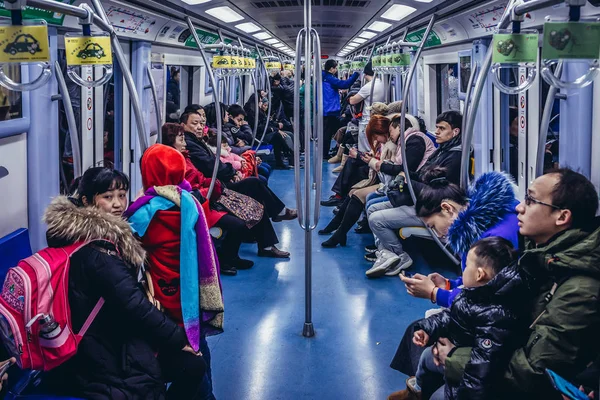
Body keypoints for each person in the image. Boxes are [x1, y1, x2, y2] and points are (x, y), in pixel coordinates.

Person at [43, 167, 205, 399]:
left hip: (97, 330)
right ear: (87, 200)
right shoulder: (98, 252)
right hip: (99, 351)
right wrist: (179, 340)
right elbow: (133, 304)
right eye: (108, 197)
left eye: (122, 195)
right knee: (192, 364)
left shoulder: (81, 235)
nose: (118, 204)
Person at [440, 169, 600, 399]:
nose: (519, 207)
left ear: (562, 217)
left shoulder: (579, 290)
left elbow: (533, 372)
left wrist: (455, 358)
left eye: (531, 200)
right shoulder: (537, 254)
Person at [391, 237, 526, 400]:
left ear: (479, 274)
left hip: (469, 372)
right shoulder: (470, 293)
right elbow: (450, 315)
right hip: (457, 353)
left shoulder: (497, 316)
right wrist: (427, 328)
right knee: (426, 357)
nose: (463, 271)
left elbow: (481, 369)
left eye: (467, 266)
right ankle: (417, 390)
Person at [366, 111, 465, 275]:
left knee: (376, 219)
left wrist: (409, 182)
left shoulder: (454, 158)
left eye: (442, 128)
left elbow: (438, 194)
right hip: (420, 200)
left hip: (432, 210)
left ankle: (400, 256)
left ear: (455, 132)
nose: (437, 132)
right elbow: (423, 174)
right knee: (372, 209)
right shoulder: (442, 150)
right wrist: (406, 175)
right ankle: (387, 253)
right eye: (437, 127)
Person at [181, 112, 298, 238]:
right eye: (195, 123)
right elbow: (211, 165)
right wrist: (232, 172)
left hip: (217, 181)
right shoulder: (190, 144)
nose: (199, 126)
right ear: (183, 125)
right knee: (255, 185)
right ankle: (275, 218)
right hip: (214, 186)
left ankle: (269, 234)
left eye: (201, 123)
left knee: (256, 188)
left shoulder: (198, 141)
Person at [322, 59, 360, 158]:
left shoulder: (323, 76)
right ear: (331, 69)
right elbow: (345, 84)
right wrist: (356, 74)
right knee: (329, 132)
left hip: (325, 108)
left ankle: (336, 150)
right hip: (330, 109)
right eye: (335, 68)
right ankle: (326, 154)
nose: (336, 70)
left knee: (329, 131)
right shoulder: (329, 78)